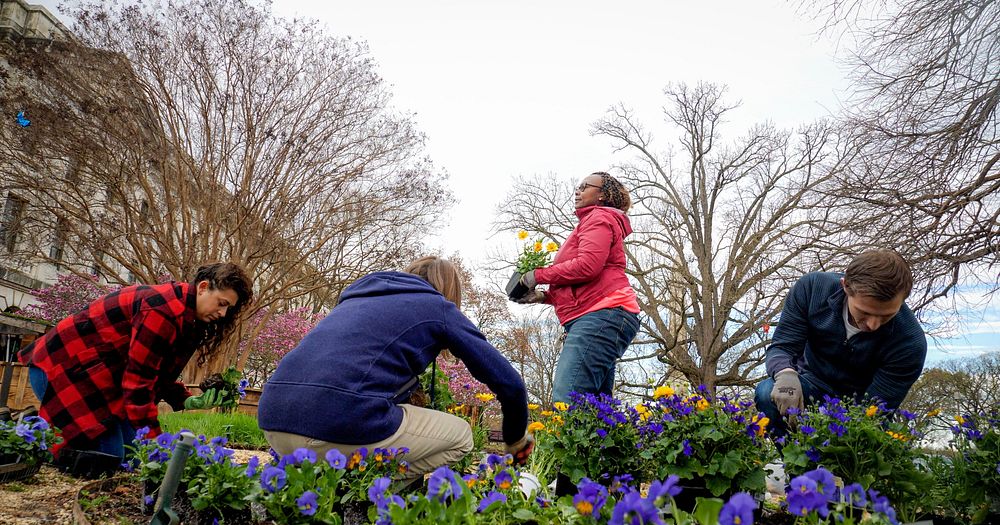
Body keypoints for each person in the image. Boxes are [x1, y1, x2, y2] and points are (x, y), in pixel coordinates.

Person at [257, 256, 532, 484]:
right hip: (337, 423)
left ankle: (330, 488)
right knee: (461, 437)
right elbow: (510, 385)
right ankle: (367, 495)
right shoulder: (437, 306)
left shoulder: (355, 299)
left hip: (273, 420)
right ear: (449, 291)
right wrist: (515, 440)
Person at [19, 262, 253, 475]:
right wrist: (155, 443)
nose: (223, 313)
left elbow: (155, 370)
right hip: (65, 370)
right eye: (222, 304)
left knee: (133, 456)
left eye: (228, 309)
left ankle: (36, 432)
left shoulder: (186, 317)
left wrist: (186, 399)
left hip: (100, 380)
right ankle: (28, 438)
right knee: (110, 458)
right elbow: (138, 384)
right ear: (203, 287)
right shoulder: (162, 311)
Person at [755, 250, 927, 437]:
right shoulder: (812, 288)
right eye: (864, 312)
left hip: (858, 403)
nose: (873, 325)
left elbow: (876, 410)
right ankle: (797, 464)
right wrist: (785, 374)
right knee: (767, 392)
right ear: (845, 286)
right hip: (810, 382)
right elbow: (783, 346)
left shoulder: (910, 342)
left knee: (859, 438)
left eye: (886, 315)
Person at [513, 172, 641, 404]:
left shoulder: (599, 218)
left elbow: (587, 266)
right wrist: (543, 296)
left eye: (585, 186)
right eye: (578, 186)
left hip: (602, 315)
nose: (578, 191)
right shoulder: (596, 221)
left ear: (602, 195)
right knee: (596, 410)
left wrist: (537, 275)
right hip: (605, 315)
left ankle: (563, 440)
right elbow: (586, 283)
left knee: (567, 400)